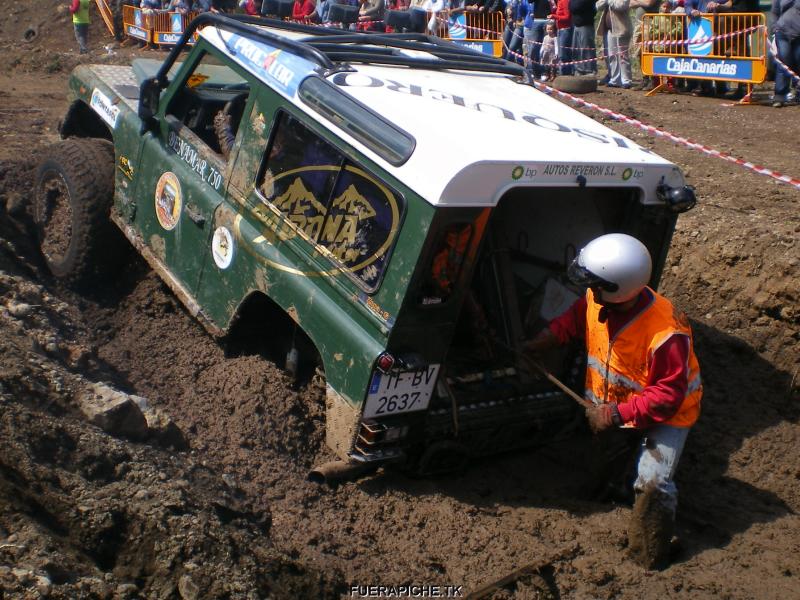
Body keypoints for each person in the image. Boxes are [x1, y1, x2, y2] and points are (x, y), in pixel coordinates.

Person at [525, 233, 702, 569]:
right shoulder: (599, 299)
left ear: (616, 289)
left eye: (594, 286)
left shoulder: (666, 332)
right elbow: (577, 320)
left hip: (667, 415)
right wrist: (544, 341)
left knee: (653, 481)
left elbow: (667, 396)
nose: (589, 292)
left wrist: (617, 413)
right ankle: (607, 493)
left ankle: (649, 555)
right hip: (616, 409)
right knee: (609, 460)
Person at [771, 0, 800, 107]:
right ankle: (780, 95)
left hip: (798, 34)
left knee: (798, 60)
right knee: (783, 61)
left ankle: (798, 93)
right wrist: (775, 27)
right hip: (782, 32)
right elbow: (774, 11)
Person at [596, 0, 632, 87]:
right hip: (609, 30)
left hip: (621, 29)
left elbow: (621, 5)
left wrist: (609, 1)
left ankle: (626, 80)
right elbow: (598, 5)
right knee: (612, 55)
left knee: (623, 55)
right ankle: (615, 79)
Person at [569, 0, 597, 75]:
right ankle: (579, 69)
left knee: (587, 49)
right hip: (576, 25)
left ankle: (590, 70)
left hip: (586, 25)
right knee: (576, 49)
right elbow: (571, 6)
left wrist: (573, 6)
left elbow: (577, 6)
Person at [549, 0, 573, 74]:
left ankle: (565, 73)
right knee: (561, 53)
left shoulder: (564, 1)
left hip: (565, 29)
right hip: (560, 29)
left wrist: (554, 16)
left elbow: (567, 16)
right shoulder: (559, 2)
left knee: (563, 54)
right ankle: (563, 72)